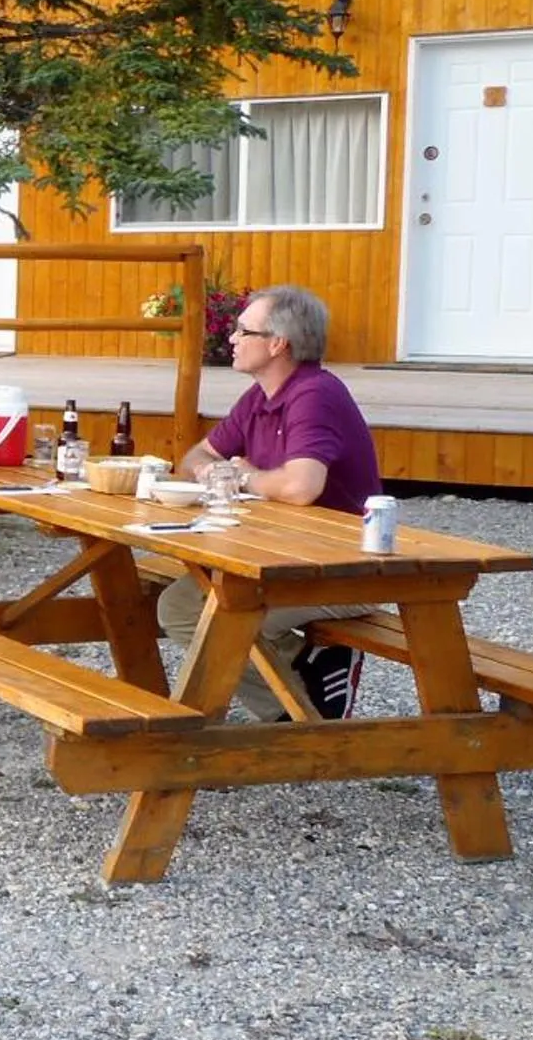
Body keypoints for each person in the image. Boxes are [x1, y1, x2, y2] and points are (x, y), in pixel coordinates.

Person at [159, 284, 383, 720]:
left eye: (244, 331)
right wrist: (218, 472)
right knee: (179, 605)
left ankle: (298, 721)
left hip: (342, 568)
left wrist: (242, 476)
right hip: (281, 555)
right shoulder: (260, 397)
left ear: (278, 343)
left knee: (217, 616)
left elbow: (302, 487)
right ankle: (301, 696)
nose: (232, 338)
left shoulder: (314, 395)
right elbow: (194, 458)